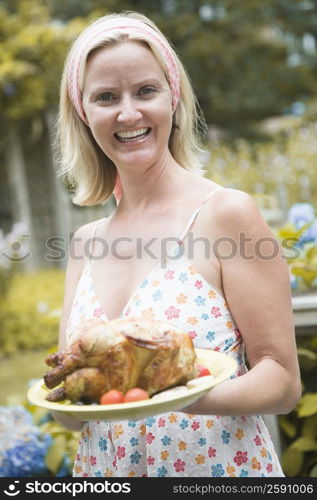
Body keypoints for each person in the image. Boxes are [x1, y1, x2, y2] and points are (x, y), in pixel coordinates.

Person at [52, 11, 301, 477]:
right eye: (106, 97)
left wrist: (175, 395)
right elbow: (69, 404)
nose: (129, 113)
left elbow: (282, 379)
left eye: (146, 91)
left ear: (173, 96)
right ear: (84, 113)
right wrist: (68, 400)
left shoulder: (225, 213)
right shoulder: (86, 242)